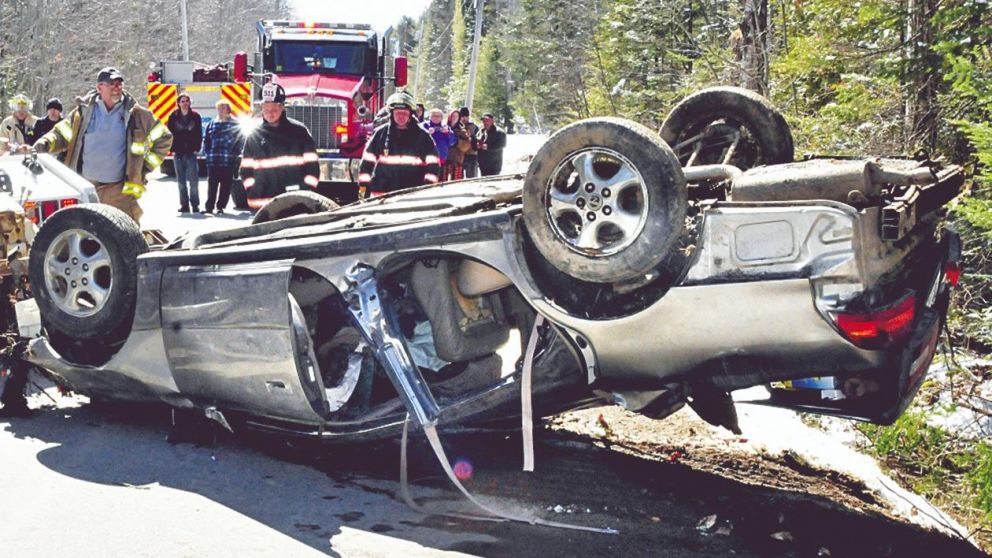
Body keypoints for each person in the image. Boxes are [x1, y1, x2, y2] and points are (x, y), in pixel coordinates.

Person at [33, 67, 172, 223]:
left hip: (119, 193)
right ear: (99, 88)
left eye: (120, 84)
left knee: (125, 239)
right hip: (86, 189)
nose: (117, 88)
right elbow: (60, 135)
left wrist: (143, 168)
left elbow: (164, 138)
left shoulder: (137, 114)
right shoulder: (83, 113)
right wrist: (43, 144)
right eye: (112, 84)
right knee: (85, 235)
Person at [240, 82, 320, 209]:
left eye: (274, 110)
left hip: (294, 203)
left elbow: (313, 167)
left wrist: (307, 192)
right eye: (266, 110)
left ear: (282, 107)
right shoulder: (254, 135)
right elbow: (245, 169)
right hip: (262, 205)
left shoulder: (299, 132)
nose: (270, 114)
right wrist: (253, 191)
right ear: (261, 109)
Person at [357, 91, 440, 198]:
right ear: (392, 113)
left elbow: (433, 164)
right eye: (398, 113)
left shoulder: (423, 136)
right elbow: (366, 163)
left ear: (410, 114)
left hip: (412, 196)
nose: (401, 116)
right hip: (382, 196)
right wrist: (363, 189)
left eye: (404, 113)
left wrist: (426, 188)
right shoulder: (380, 134)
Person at [202, 99, 244, 214]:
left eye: (223, 108)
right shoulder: (212, 123)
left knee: (226, 185)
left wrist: (235, 154)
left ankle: (220, 207)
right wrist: (208, 153)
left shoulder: (235, 124)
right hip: (213, 160)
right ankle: (209, 208)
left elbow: (241, 140)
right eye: (219, 108)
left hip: (228, 159)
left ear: (228, 110)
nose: (221, 110)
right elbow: (206, 140)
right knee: (212, 185)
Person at [167, 93, 203, 213]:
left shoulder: (195, 116)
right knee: (181, 182)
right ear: (178, 103)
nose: (185, 103)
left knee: (194, 181)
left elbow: (199, 133)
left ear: (190, 103)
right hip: (178, 153)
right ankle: (184, 206)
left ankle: (195, 205)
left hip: (191, 153)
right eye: (182, 101)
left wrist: (197, 148)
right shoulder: (173, 116)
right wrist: (171, 149)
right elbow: (168, 133)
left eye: (187, 101)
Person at [421, 108, 455, 177]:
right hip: (426, 159)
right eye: (434, 116)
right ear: (430, 117)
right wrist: (427, 132)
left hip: (441, 160)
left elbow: (452, 142)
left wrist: (447, 133)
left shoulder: (445, 127)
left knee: (440, 181)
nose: (436, 118)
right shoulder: (424, 125)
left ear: (441, 118)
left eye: (438, 116)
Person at [444, 109, 466, 181]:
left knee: (455, 183)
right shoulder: (443, 128)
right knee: (442, 181)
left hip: (456, 160)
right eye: (453, 116)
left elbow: (466, 146)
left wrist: (457, 142)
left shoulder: (462, 131)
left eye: (457, 116)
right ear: (449, 117)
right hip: (445, 159)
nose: (454, 118)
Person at [458, 107, 480, 178]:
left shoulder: (474, 127)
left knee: (471, 179)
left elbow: (479, 140)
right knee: (458, 179)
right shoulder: (456, 127)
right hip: (459, 155)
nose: (464, 118)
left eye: (466, 116)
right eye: (462, 116)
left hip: (472, 155)